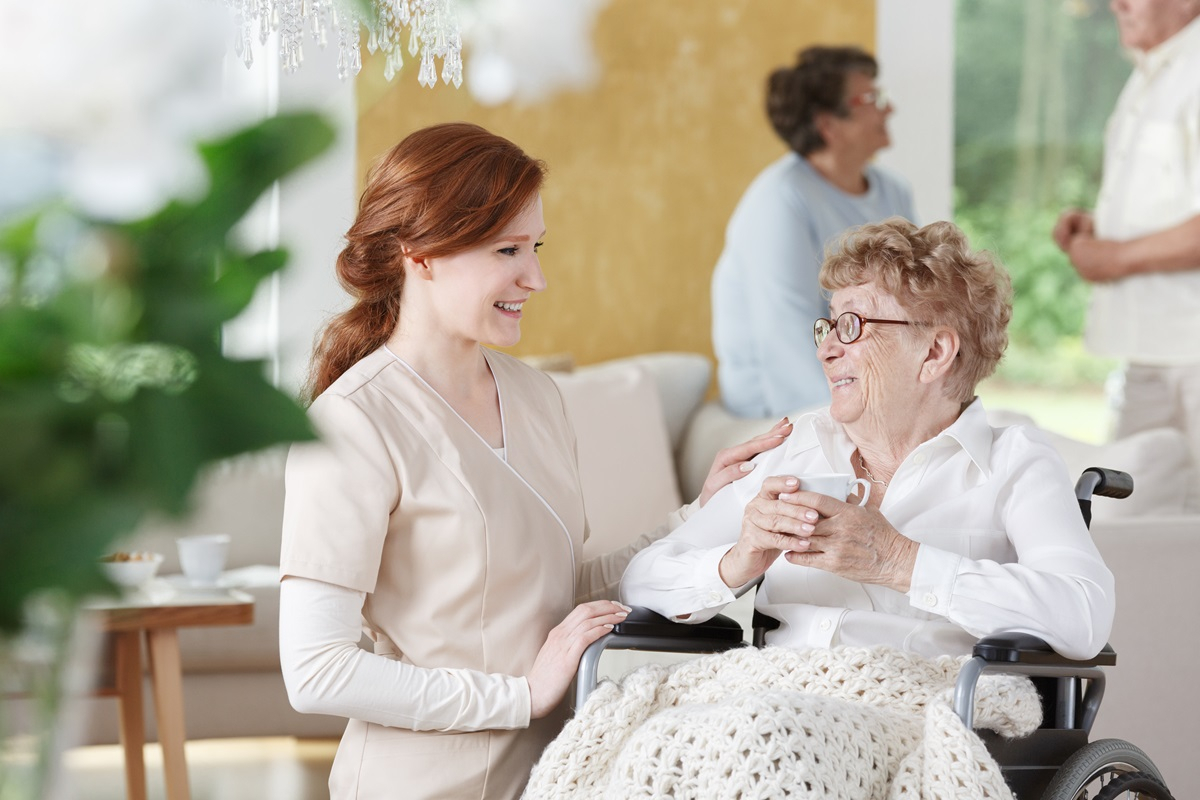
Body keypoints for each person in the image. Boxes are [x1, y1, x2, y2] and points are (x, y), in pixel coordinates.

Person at [277, 122, 789, 800]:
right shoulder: (353, 423)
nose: (537, 277)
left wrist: (705, 514)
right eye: (507, 250)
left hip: (558, 775)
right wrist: (519, 696)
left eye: (536, 247)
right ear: (420, 255)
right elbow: (317, 671)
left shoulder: (535, 396)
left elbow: (561, 596)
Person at [625, 218, 1115, 661]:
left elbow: (1084, 613)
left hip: (922, 712)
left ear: (934, 351)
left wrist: (902, 562)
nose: (826, 350)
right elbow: (642, 578)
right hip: (775, 697)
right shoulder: (792, 453)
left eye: (851, 326)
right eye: (827, 326)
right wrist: (739, 560)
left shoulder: (1014, 463)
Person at [712, 45, 917, 420]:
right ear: (828, 125)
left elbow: (912, 307)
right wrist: (851, 427)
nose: (888, 108)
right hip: (779, 413)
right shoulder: (779, 200)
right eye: (871, 98)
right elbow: (785, 345)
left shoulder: (894, 192)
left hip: (871, 398)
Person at [1052, 0, 1200, 478]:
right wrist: (1102, 227)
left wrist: (1115, 256)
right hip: (1151, 353)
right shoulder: (1149, 74)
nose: (1116, 3)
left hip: (1190, 355)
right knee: (1131, 513)